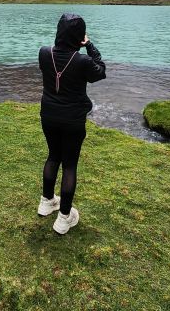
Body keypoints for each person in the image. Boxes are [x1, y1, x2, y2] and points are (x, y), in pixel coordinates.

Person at [37, 13, 106, 234]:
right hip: (72, 120)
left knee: (53, 156)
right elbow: (100, 72)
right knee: (70, 165)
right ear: (79, 35)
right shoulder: (82, 61)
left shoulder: (44, 53)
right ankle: (64, 217)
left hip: (48, 114)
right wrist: (90, 46)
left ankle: (46, 202)